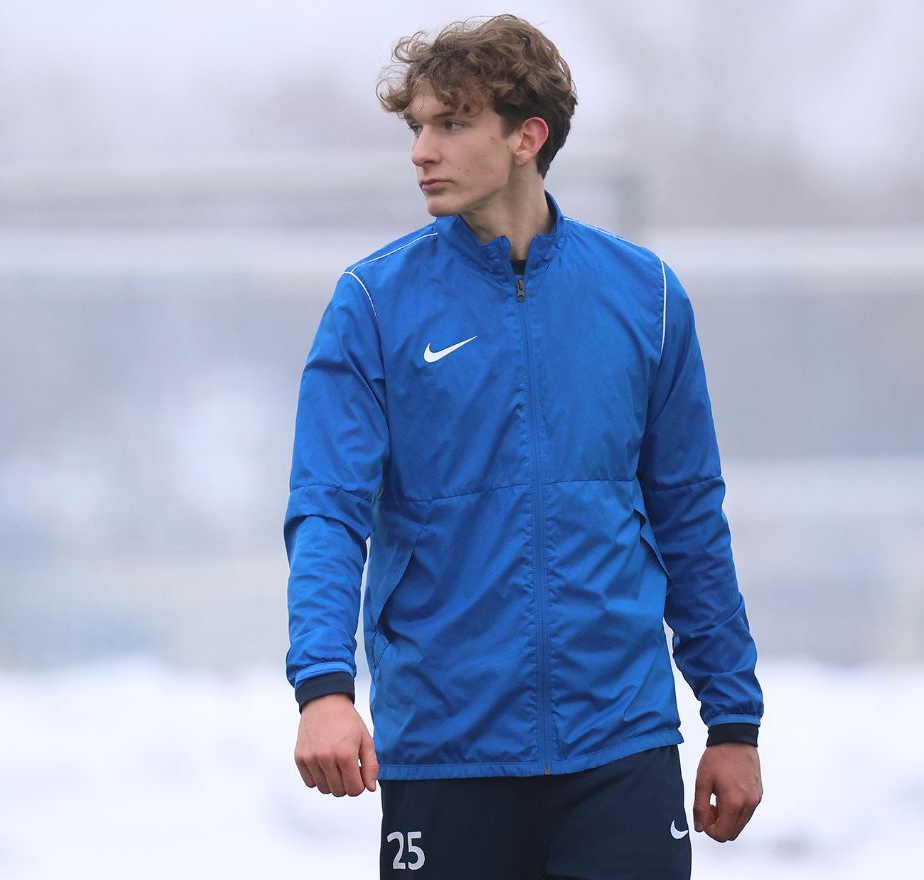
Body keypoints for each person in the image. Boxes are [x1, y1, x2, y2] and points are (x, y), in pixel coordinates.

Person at [283, 14, 764, 879]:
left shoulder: (646, 296)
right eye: (416, 127)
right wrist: (323, 686)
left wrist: (732, 720)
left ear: (526, 137)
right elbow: (329, 511)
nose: (422, 151)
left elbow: (691, 517)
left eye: (451, 123)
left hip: (621, 746)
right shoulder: (373, 304)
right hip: (447, 748)